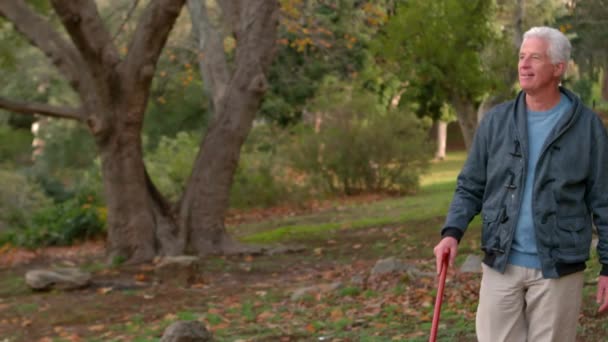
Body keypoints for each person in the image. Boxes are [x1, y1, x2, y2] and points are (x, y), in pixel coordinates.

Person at [433, 26, 608, 342]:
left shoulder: (587, 127)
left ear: (558, 68)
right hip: (501, 263)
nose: (524, 65)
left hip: (558, 267)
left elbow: (604, 199)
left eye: (535, 57)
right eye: (521, 56)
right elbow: (470, 184)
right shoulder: (497, 122)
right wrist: (451, 232)